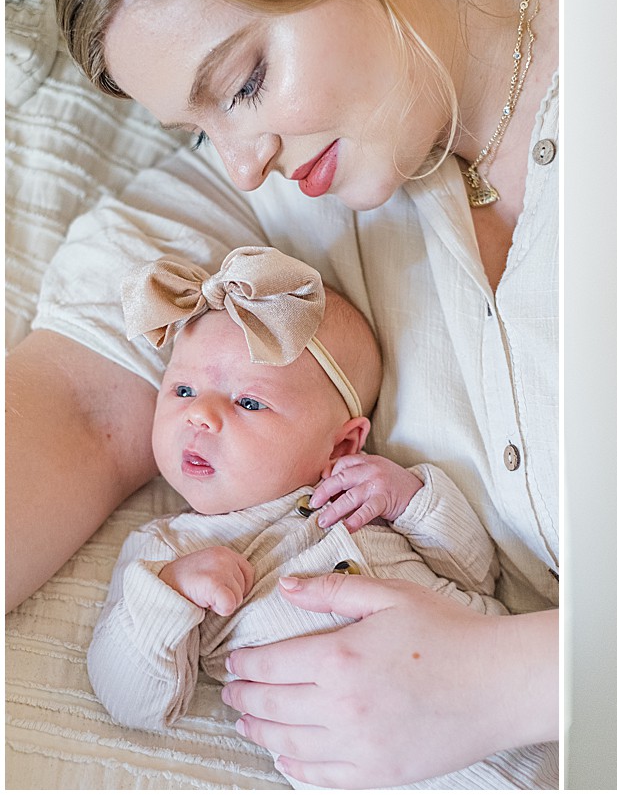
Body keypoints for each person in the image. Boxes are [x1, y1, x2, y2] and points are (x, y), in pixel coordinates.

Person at [9, 0, 558, 788]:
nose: (241, 162)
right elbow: (83, 405)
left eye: (242, 83)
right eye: (197, 129)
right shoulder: (275, 214)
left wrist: (516, 678)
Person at [90, 247, 543, 788]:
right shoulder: (165, 553)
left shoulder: (363, 496)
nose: (200, 415)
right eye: (183, 390)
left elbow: (476, 572)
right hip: (374, 769)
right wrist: (171, 594)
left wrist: (413, 498)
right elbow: (130, 699)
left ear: (342, 445)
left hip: (523, 710)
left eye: (249, 403)